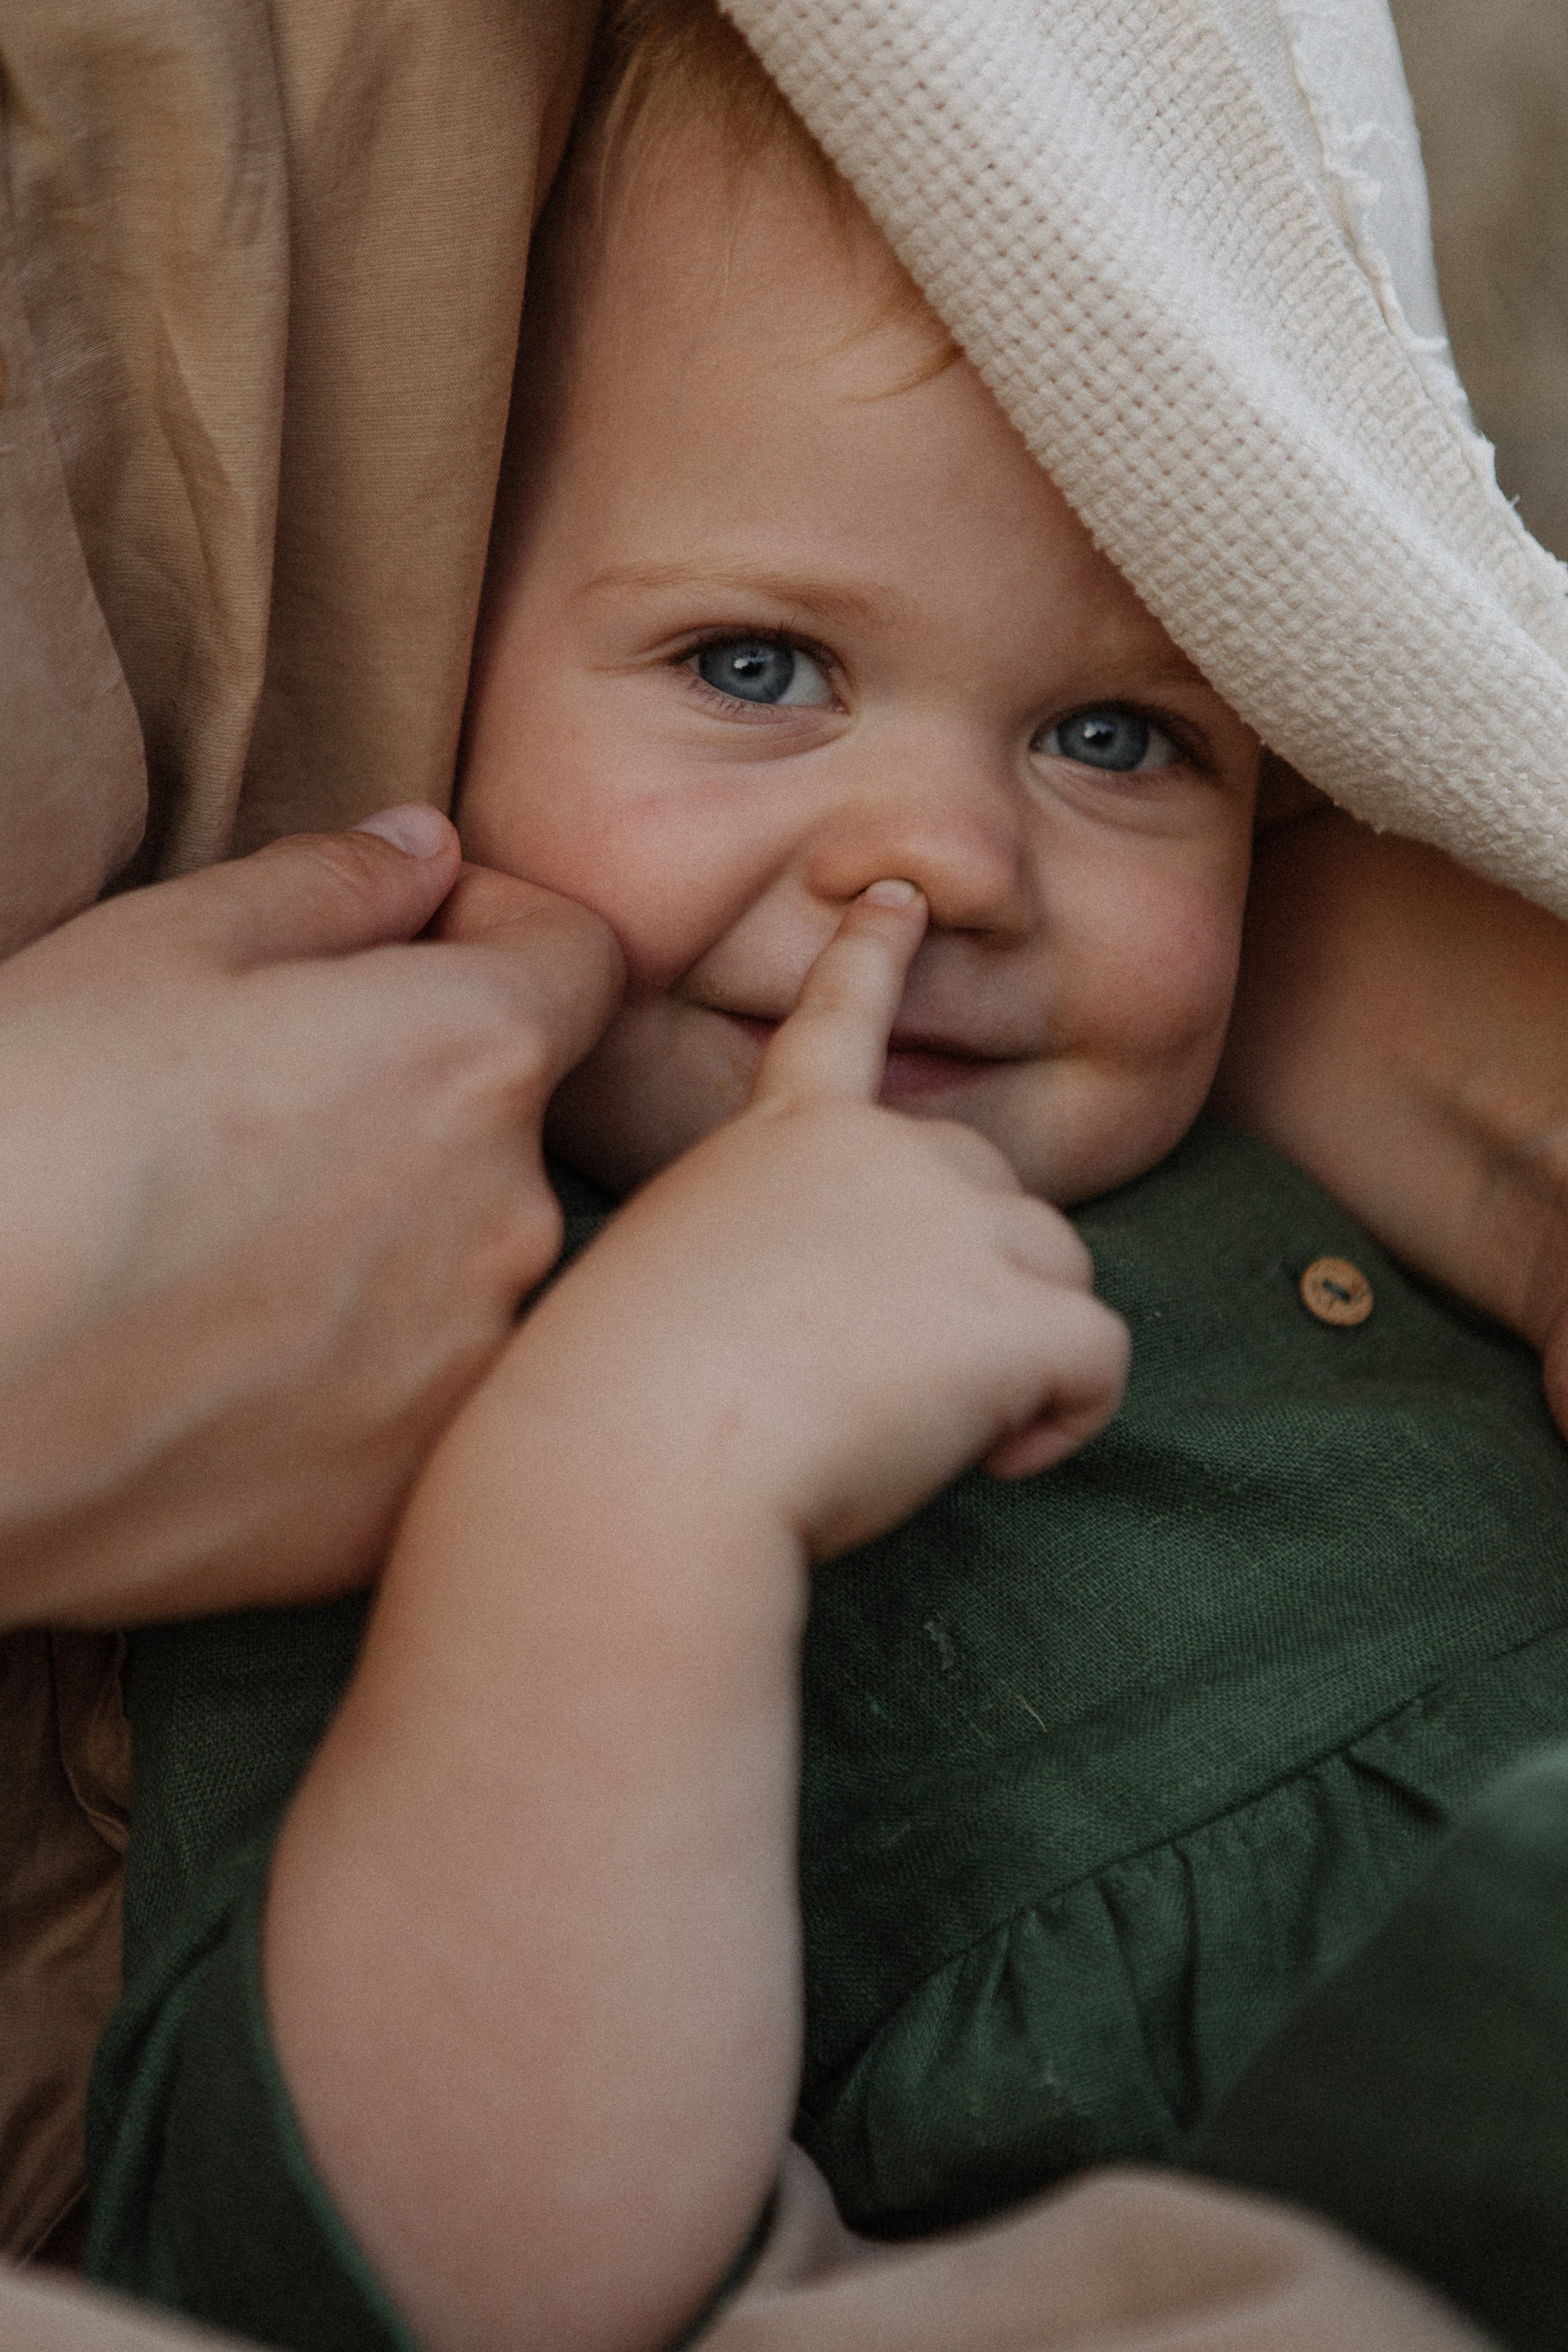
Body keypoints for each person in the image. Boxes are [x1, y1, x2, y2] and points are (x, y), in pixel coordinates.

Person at [74, 7, 1568, 2351]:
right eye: (756, 663)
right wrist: (645, 1481)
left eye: (1118, 737)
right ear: (442, 671)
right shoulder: (423, 1350)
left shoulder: (1320, 1104)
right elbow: (368, 2278)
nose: (950, 860)